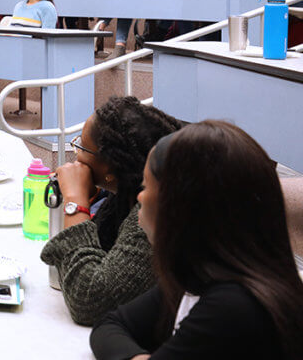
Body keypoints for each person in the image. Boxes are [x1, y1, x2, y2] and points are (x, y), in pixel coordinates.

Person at [90, 121, 303, 359]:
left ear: (178, 206)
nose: (140, 196)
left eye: (146, 185)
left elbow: (92, 302)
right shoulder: (200, 274)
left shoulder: (233, 307)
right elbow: (109, 325)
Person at [39, 96, 185, 326]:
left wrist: (75, 202)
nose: (75, 154)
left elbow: (89, 302)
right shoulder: (121, 198)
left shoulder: (154, 213)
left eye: (81, 146)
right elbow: (91, 261)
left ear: (109, 166)